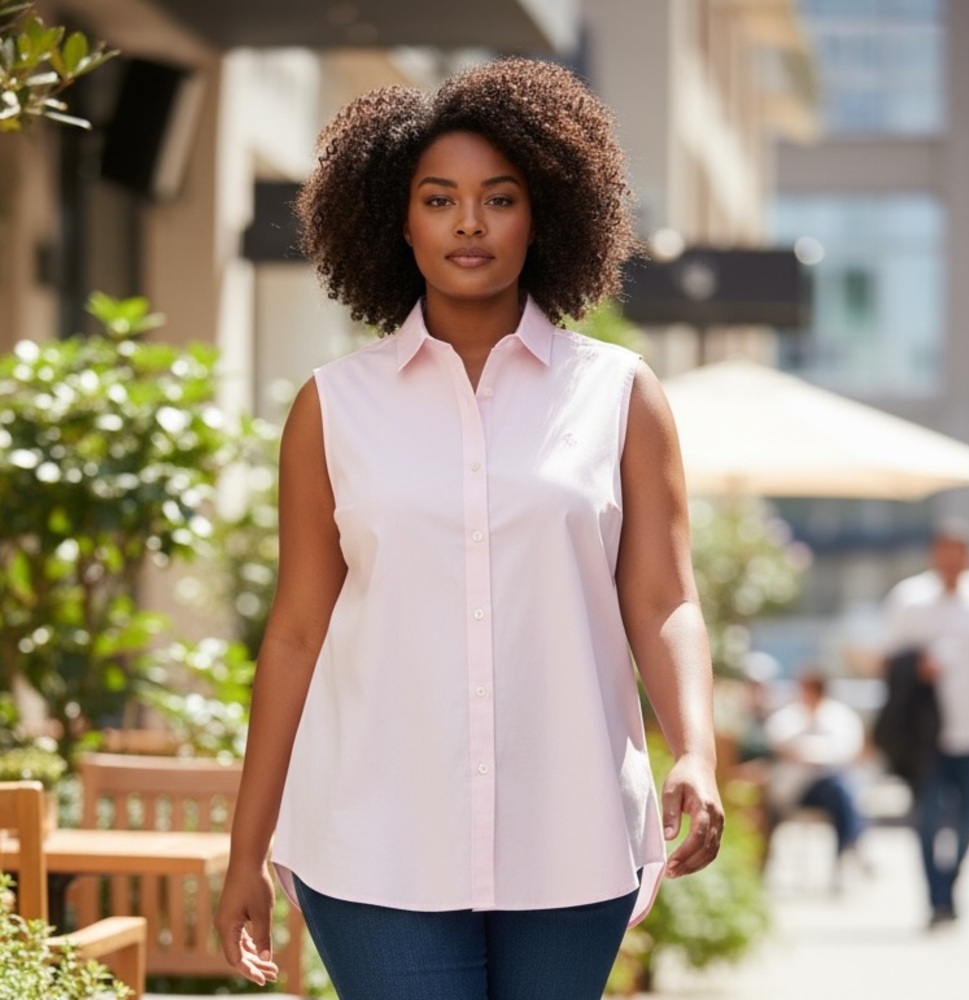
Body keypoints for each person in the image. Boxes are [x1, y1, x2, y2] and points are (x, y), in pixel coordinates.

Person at [212, 58, 723, 999]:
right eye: (439, 199)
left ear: (547, 214)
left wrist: (695, 745)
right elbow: (294, 632)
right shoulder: (333, 407)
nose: (470, 223)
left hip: (571, 835)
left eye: (500, 197)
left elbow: (662, 597)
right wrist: (246, 850)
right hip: (373, 835)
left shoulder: (618, 396)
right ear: (396, 221)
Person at [882, 519, 969, 927]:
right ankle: (936, 898)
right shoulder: (910, 600)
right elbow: (888, 662)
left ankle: (949, 885)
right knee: (928, 819)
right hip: (925, 736)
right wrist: (918, 667)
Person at [763, 670, 868, 872]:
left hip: (830, 784)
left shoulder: (840, 717)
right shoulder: (787, 716)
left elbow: (848, 751)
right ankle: (852, 843)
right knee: (841, 791)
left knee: (840, 790)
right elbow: (780, 746)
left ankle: (847, 845)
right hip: (797, 788)